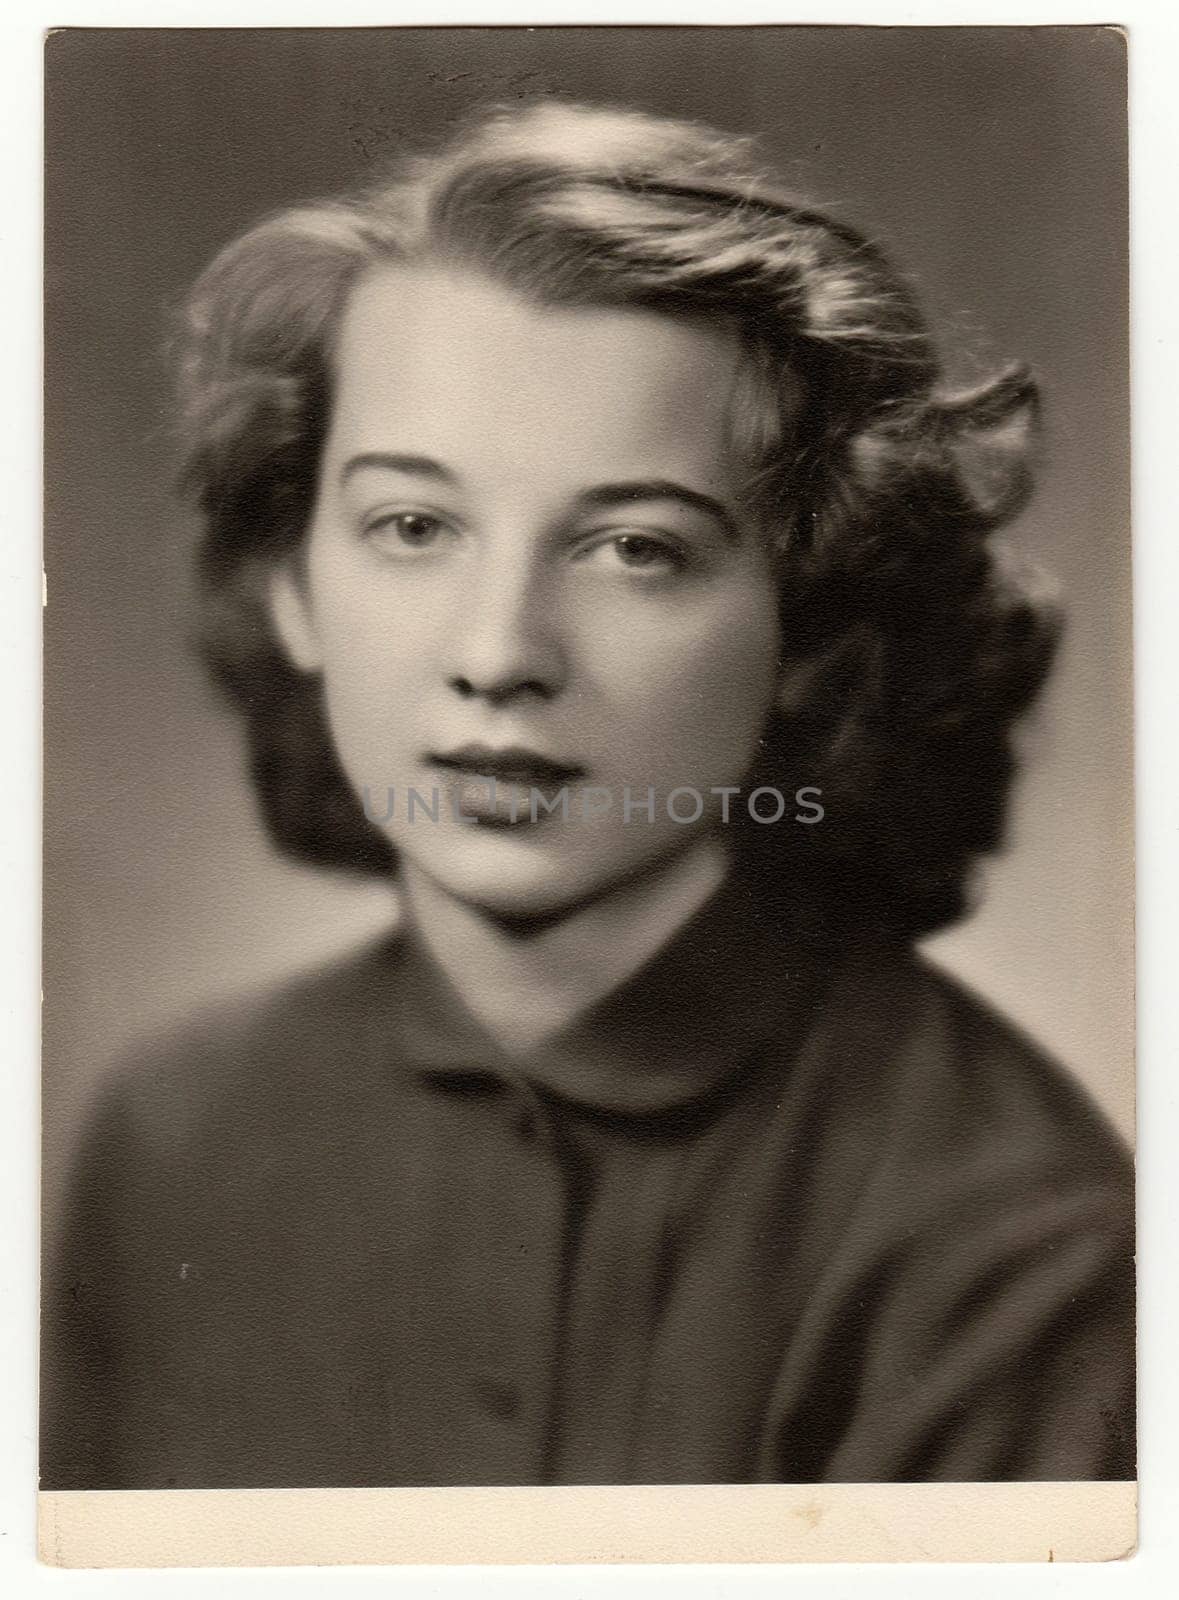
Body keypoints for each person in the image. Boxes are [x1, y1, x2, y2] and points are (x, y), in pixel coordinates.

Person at [41, 100, 1134, 1489]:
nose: (498, 654)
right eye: (413, 526)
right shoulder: (173, 1134)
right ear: (293, 586)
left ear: (810, 626)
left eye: (633, 546)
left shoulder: (1013, 1239)